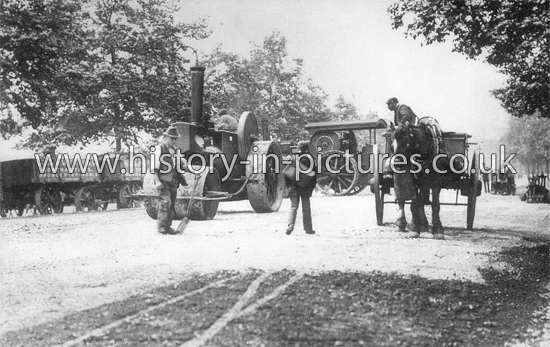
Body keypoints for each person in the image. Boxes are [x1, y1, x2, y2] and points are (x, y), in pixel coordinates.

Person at [153, 125, 182, 235]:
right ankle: (161, 227)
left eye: (175, 139)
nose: (174, 141)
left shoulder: (175, 151)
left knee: (172, 203)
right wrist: (157, 181)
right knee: (165, 202)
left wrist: (196, 172)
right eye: (172, 138)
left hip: (174, 181)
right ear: (166, 137)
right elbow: (154, 167)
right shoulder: (159, 149)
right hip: (163, 181)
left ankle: (168, 226)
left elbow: (182, 165)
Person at [284, 141, 317, 235]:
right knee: (306, 208)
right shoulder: (310, 159)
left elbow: (287, 173)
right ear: (307, 148)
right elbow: (314, 175)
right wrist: (311, 187)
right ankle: (308, 229)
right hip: (305, 188)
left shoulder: (293, 158)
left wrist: (288, 185)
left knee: (293, 207)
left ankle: (290, 226)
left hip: (294, 187)